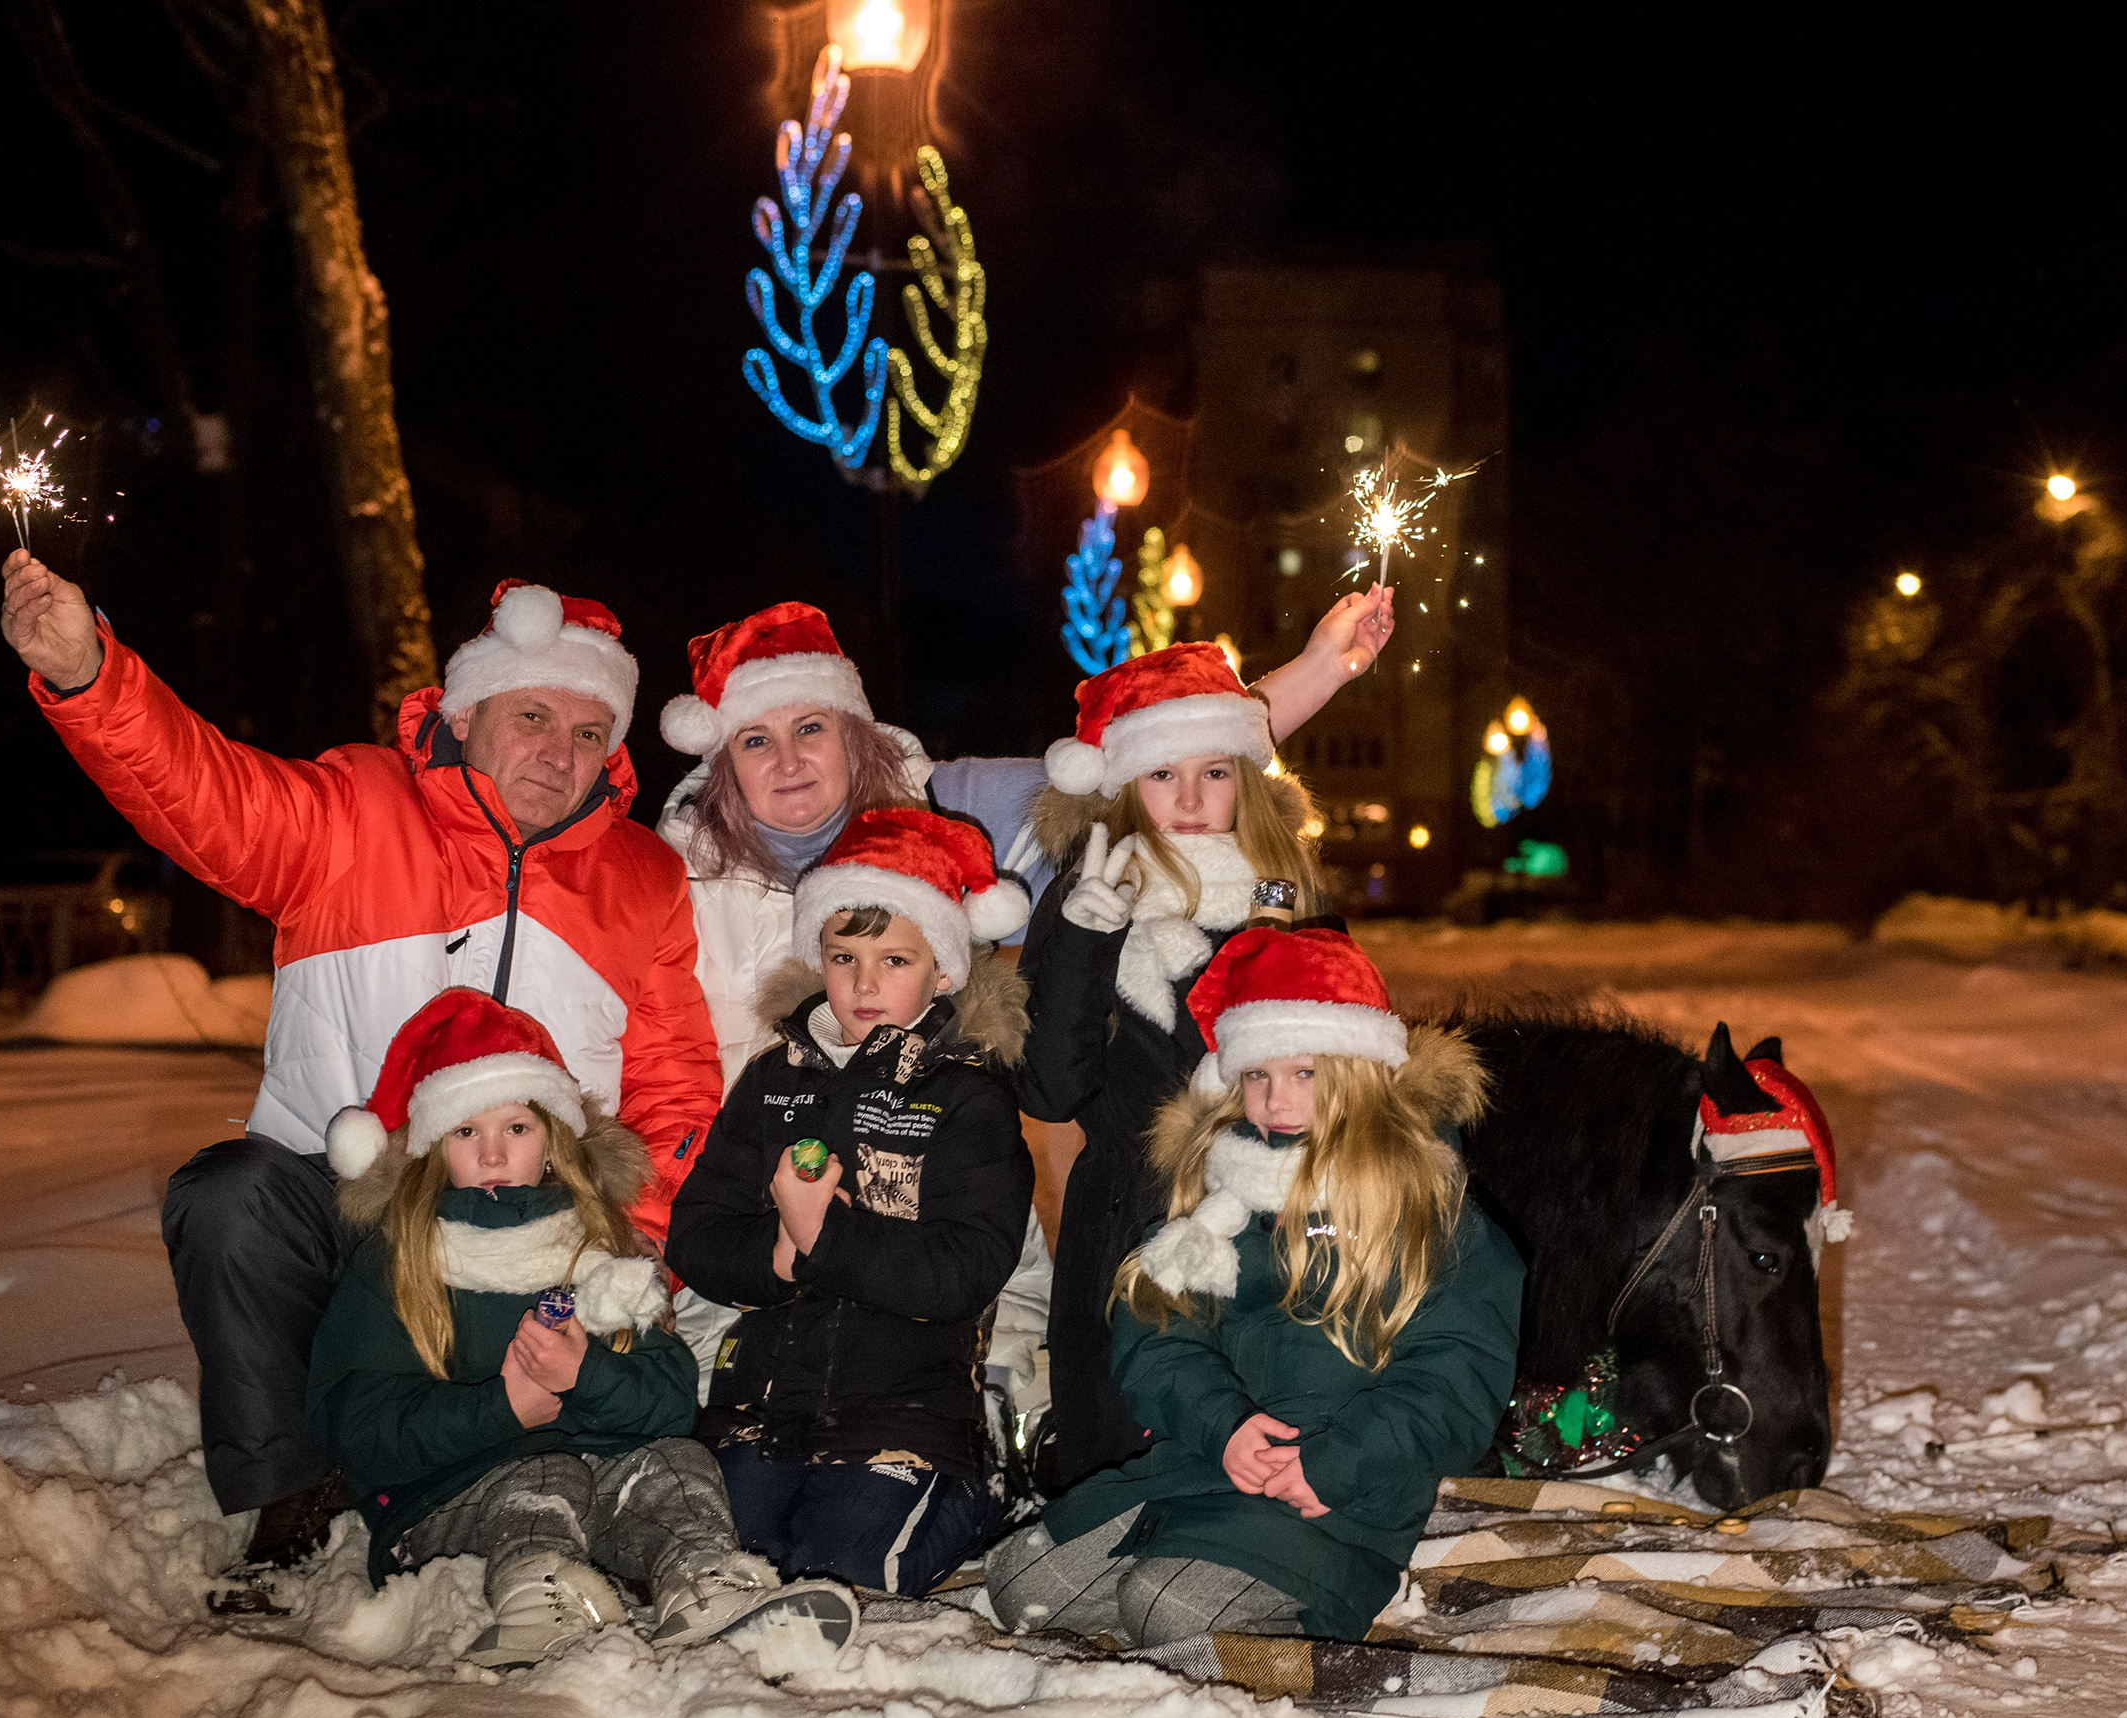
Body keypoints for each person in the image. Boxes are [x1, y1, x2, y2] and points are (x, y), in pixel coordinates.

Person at [0, 556, 720, 1592]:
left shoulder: (644, 879)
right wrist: (88, 677)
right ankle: (289, 1491)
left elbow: (674, 1088)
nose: (560, 754)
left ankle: (510, 1463)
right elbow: (206, 792)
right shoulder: (356, 808)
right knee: (226, 1196)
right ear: (465, 714)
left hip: (529, 1219)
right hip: (346, 1203)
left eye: (589, 732)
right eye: (531, 718)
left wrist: (629, 1249)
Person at [652, 595, 1393, 1409]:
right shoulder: (671, 876)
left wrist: (1321, 669)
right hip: (751, 1209)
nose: (788, 759)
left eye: (812, 729)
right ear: (720, 758)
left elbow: (1148, 760)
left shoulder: (948, 805)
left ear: (855, 731)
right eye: (756, 738)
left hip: (931, 1207)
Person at [985, 925, 1523, 1646]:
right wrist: (1223, 1425)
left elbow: (1457, 1377)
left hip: (1342, 1493)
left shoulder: (1423, 1202)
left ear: (1357, 1068)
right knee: (1019, 1586)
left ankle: (1266, 1612)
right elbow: (1157, 1336)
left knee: (1166, 1607)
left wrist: (1333, 1463)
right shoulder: (1220, 1197)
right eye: (1257, 1076)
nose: (1277, 1098)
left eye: (1304, 1073)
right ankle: (1196, 1574)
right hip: (1207, 1463)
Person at [308, 988, 853, 1668]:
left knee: (678, 1466)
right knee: (538, 1484)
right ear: (430, 1148)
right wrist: (500, 1408)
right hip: (448, 1501)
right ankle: (537, 1604)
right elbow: (360, 1428)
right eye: (465, 1132)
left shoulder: (596, 1245)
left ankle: (706, 1588)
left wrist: (585, 1376)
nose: (494, 1154)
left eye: (517, 1128)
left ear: (555, 1138)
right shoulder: (397, 1260)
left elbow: (670, 1400)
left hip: (597, 1478)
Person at [667, 809, 1035, 1594]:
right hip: (761, 1406)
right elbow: (696, 1236)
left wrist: (824, 1236)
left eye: (894, 959)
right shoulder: (772, 1081)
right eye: (844, 957)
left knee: (837, 1569)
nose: (865, 984)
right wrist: (776, 1254)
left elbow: (963, 1270)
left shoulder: (968, 1099)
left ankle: (987, 1491)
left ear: (942, 971)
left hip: (908, 1417)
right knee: (734, 1562)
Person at [1016, 636, 1352, 1491]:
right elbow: (1050, 1089)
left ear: (1246, 774)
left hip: (1276, 1213)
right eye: (1164, 775)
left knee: (1266, 1445)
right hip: (1128, 1219)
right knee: (1124, 1476)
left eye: (1215, 770)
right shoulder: (1089, 890)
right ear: (1127, 784)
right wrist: (1087, 943)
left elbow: (1348, 1064)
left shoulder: (1293, 895)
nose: (1193, 799)